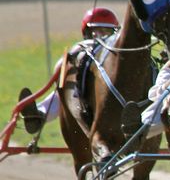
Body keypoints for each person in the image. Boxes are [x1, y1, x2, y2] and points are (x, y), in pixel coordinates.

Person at [19, 7, 119, 135]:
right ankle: (39, 115)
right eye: (96, 32)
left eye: (106, 32)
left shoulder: (114, 59)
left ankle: (40, 114)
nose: (101, 37)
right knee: (66, 93)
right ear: (87, 32)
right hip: (79, 95)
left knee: (68, 94)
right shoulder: (83, 51)